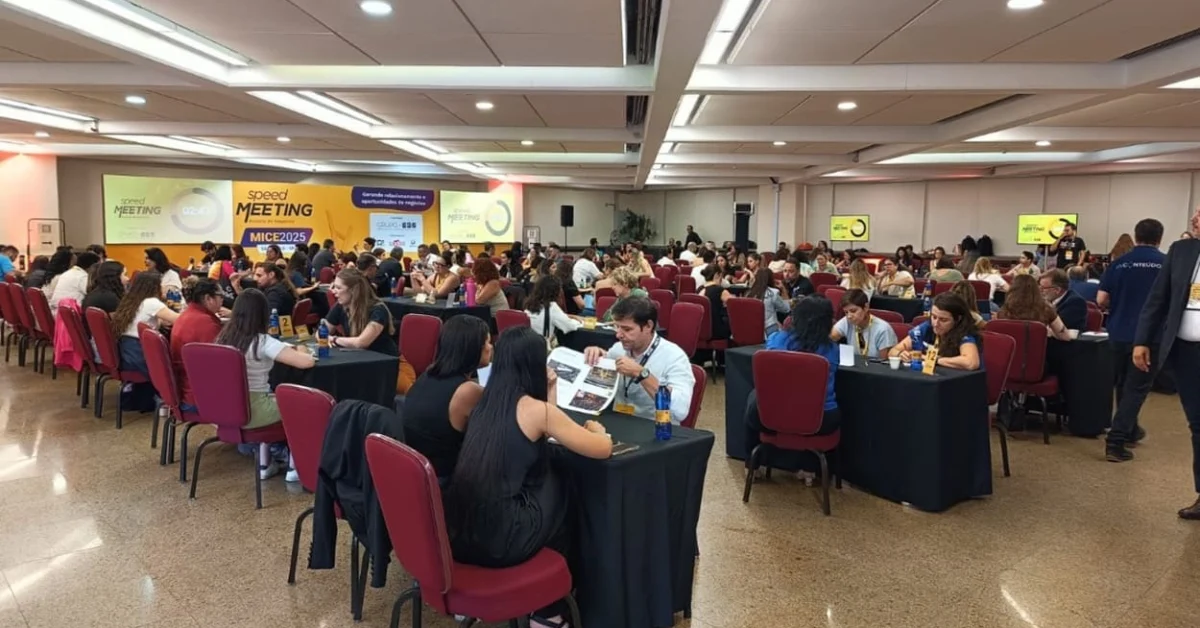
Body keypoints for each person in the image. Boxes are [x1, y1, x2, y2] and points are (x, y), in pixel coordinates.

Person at [444, 327, 610, 627]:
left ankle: (544, 603)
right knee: (564, 487)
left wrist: (550, 391)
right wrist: (599, 431)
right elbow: (601, 449)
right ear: (535, 364)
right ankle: (549, 611)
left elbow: (543, 431)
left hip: (462, 534)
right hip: (504, 539)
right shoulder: (537, 411)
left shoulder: (482, 401)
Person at [1130, 207, 1200, 519]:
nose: (1195, 219)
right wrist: (1142, 340)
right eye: (1195, 214)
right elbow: (1158, 298)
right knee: (1198, 424)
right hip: (1186, 352)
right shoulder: (1181, 250)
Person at [215, 288, 315, 477]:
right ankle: (295, 467)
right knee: (302, 406)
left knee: (273, 397)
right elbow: (306, 362)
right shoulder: (262, 341)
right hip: (255, 410)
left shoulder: (222, 339)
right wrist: (302, 349)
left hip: (225, 409)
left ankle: (266, 463)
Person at [748, 296, 842, 476]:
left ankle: (752, 464)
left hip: (772, 416)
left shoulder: (777, 340)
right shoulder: (831, 349)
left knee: (754, 396)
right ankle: (810, 468)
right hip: (820, 420)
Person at [1099, 219, 1165, 462]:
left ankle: (1131, 430)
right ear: (1159, 238)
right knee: (1136, 389)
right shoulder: (1166, 264)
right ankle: (1116, 442)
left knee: (1122, 383)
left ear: (1136, 236)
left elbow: (1101, 299)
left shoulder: (1118, 263)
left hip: (1117, 333)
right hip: (1149, 337)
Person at [404, 316, 492, 480]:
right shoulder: (468, 391)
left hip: (417, 473)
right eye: (487, 342)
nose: (491, 348)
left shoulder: (428, 374)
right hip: (447, 479)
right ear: (472, 348)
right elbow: (495, 434)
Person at [584, 296, 695, 424]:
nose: (618, 335)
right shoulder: (618, 349)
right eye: (617, 327)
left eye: (627, 329)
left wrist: (642, 374)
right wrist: (597, 355)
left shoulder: (675, 357)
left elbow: (680, 410)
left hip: (656, 426)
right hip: (620, 422)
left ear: (648, 326)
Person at [110, 272, 180, 377]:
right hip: (141, 355)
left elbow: (141, 318)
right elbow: (180, 320)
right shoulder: (152, 302)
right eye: (161, 285)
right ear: (155, 287)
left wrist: (160, 321)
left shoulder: (131, 299)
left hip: (126, 352)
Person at [170, 278, 225, 412]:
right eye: (220, 296)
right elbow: (223, 364)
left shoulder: (187, 315)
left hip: (186, 390)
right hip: (199, 396)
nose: (222, 301)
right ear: (208, 298)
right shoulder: (206, 324)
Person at [888, 293, 982, 371]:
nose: (936, 324)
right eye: (934, 317)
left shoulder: (965, 334)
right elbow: (893, 351)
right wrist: (900, 354)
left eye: (943, 320)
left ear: (958, 319)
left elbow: (971, 363)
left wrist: (934, 360)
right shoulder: (927, 327)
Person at [323, 268, 398, 356]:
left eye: (338, 288)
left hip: (383, 358)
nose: (333, 292)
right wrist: (324, 336)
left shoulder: (378, 310)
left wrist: (334, 339)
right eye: (334, 287)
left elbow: (361, 343)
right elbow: (321, 332)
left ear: (353, 290)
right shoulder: (341, 306)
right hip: (357, 356)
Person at [996, 274, 1075, 340]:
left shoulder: (1003, 311)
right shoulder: (1046, 309)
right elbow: (1065, 336)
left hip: (1010, 353)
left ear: (1012, 289)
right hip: (1038, 353)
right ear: (1036, 289)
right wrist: (1047, 332)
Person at [830, 289, 897, 358]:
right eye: (846, 312)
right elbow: (830, 337)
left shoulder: (883, 329)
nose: (849, 316)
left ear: (866, 307)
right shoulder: (847, 321)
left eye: (853, 311)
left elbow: (884, 361)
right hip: (854, 364)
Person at [526, 274, 582, 343]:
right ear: (556, 291)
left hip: (530, 342)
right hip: (544, 345)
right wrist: (580, 322)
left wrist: (570, 316)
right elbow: (569, 326)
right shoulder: (551, 307)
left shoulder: (529, 304)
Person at [739, 267, 791, 337]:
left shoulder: (748, 293)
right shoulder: (773, 293)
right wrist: (783, 289)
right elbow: (786, 309)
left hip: (752, 329)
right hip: (769, 330)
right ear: (771, 279)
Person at [81, 261, 126, 332]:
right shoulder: (109, 297)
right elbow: (121, 324)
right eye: (124, 275)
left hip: (93, 335)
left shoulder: (98, 291)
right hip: (102, 335)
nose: (128, 278)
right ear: (115, 277)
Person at [700, 265, 730, 340]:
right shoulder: (719, 290)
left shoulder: (699, 289)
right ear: (717, 275)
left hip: (701, 328)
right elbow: (736, 305)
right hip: (716, 330)